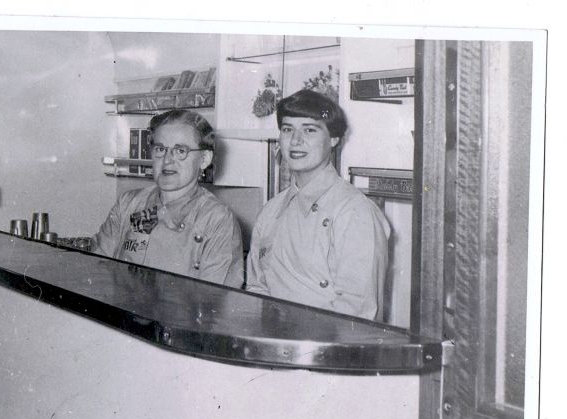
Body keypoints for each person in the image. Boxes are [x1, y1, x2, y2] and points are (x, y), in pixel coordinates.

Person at [247, 89, 390, 320]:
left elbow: (357, 313)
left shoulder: (355, 212)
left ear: (333, 139)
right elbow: (257, 290)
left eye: (310, 130)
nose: (296, 141)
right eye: (287, 129)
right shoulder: (271, 211)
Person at [93, 109, 244, 287]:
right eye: (160, 149)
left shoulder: (217, 220)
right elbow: (97, 271)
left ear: (204, 159)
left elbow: (215, 299)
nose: (167, 160)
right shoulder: (129, 204)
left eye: (180, 151)